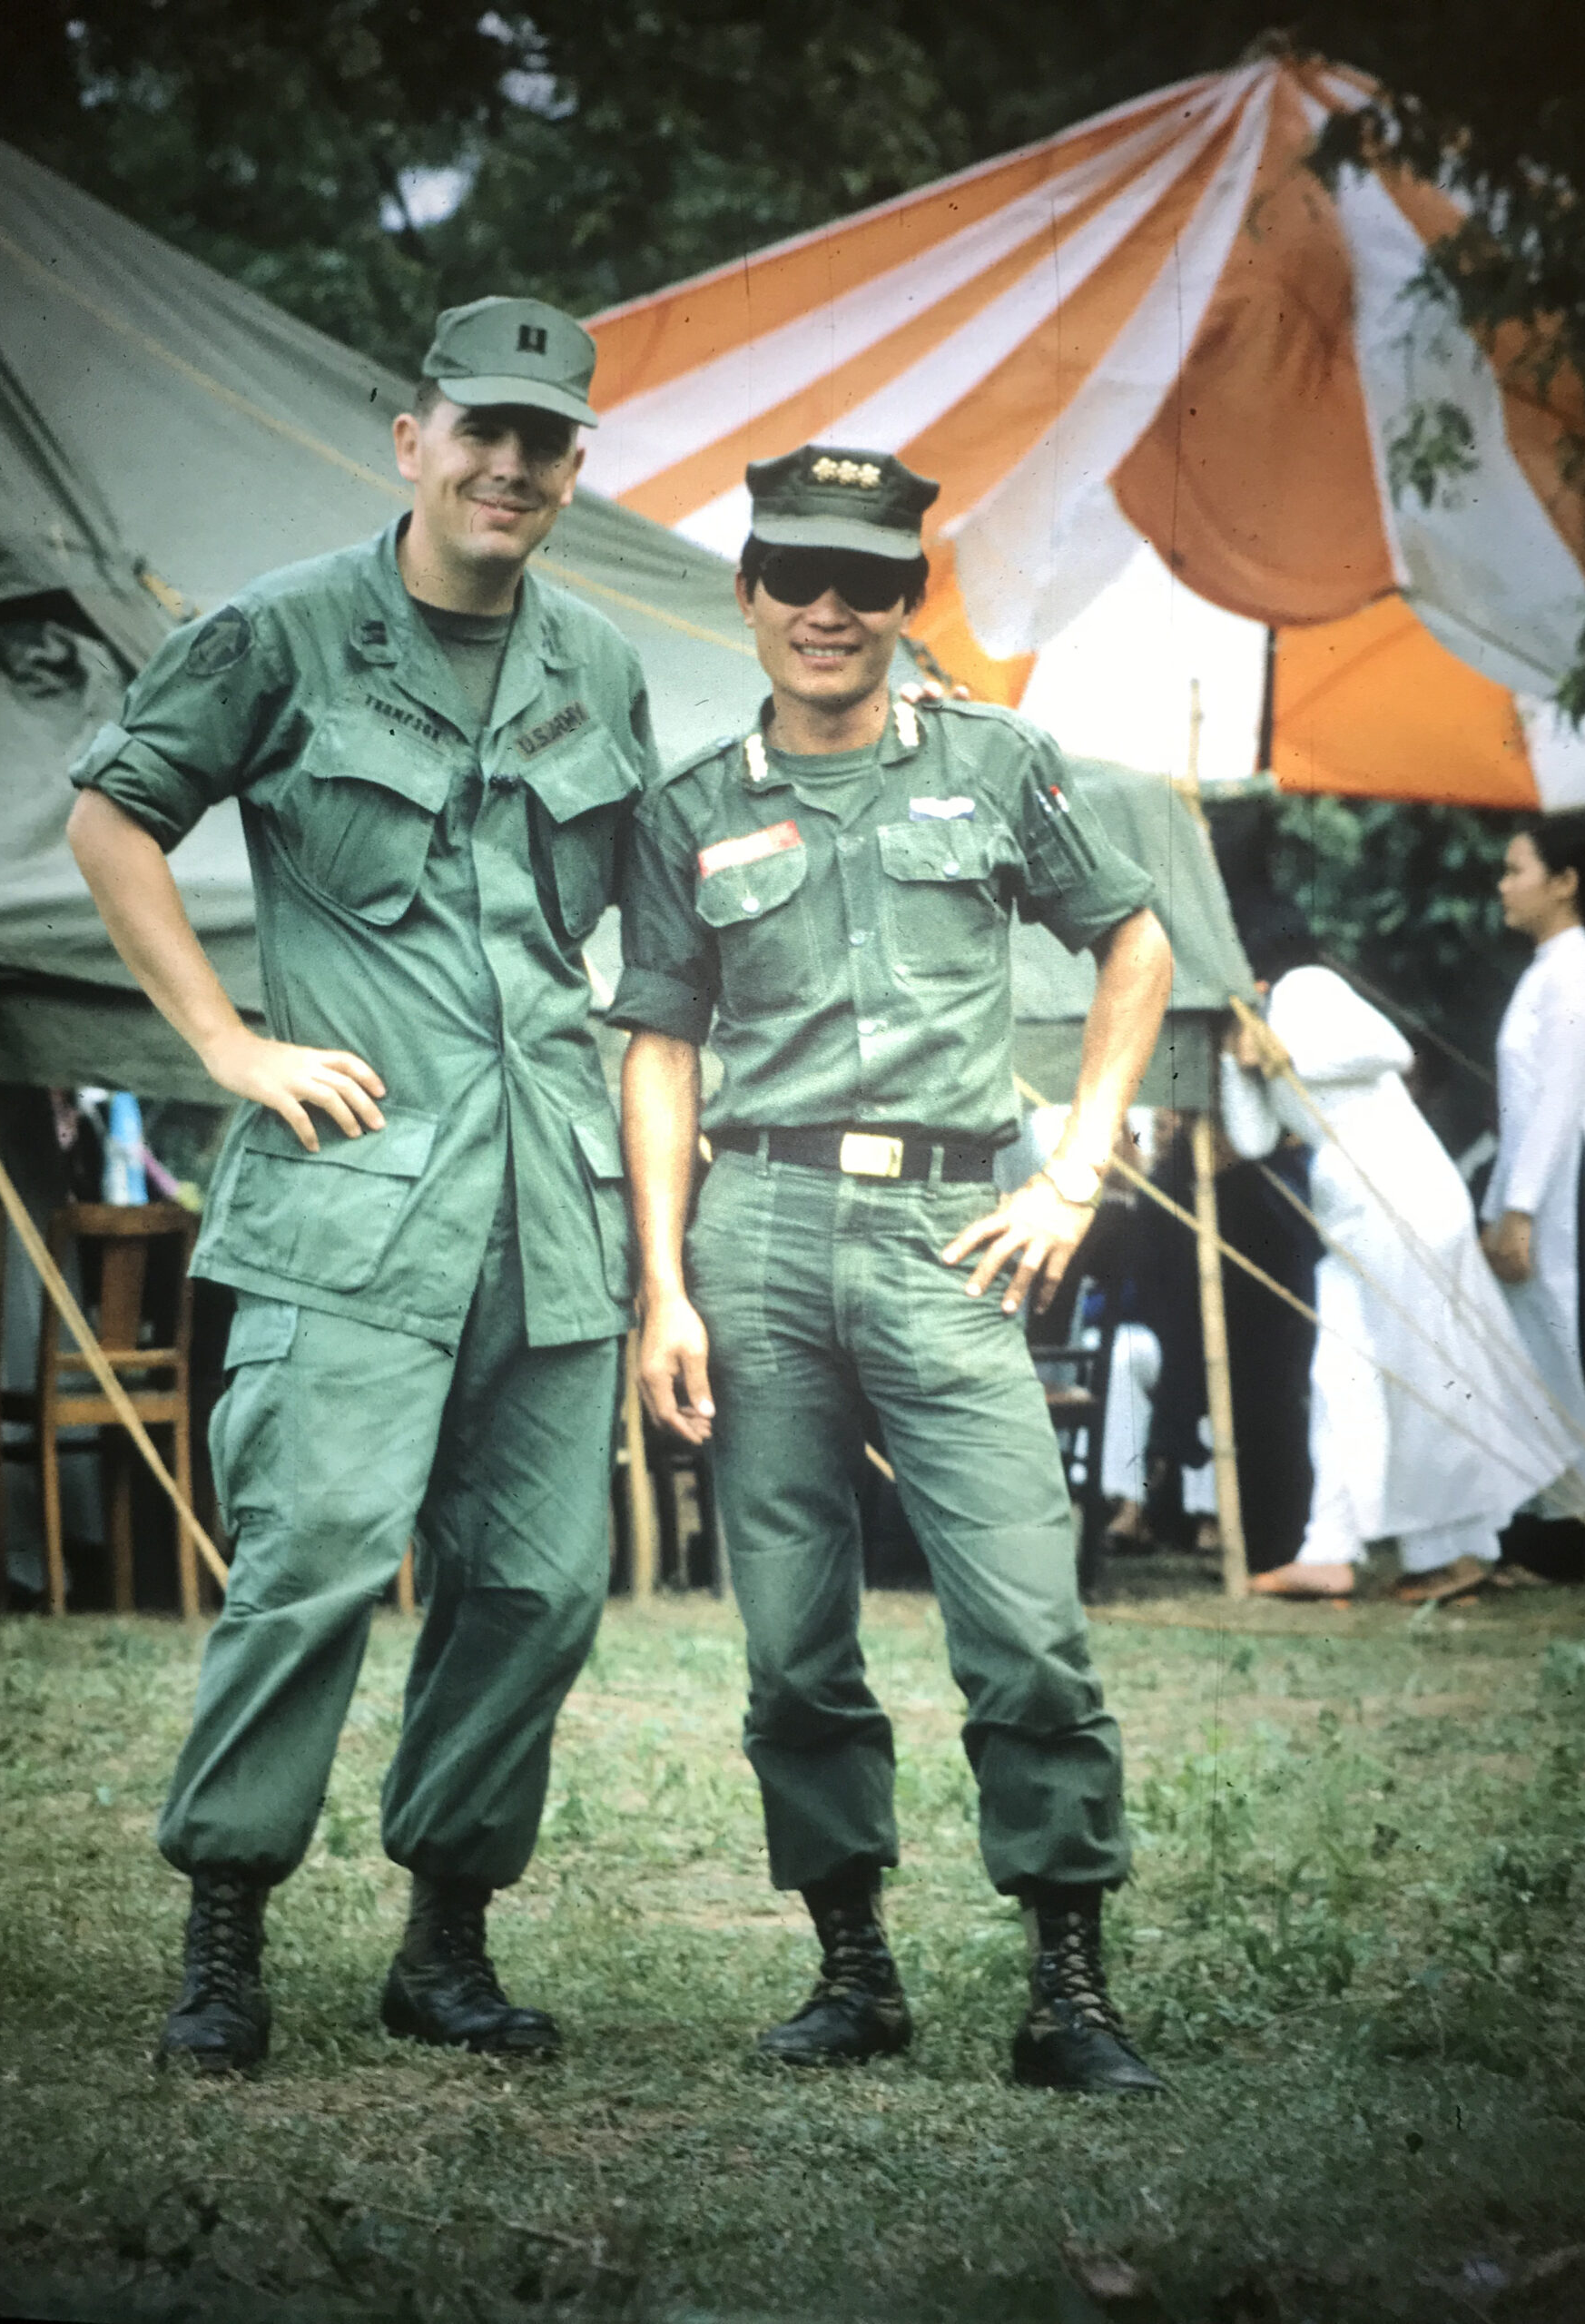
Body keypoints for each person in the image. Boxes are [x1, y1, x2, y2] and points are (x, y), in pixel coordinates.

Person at [65, 298, 655, 2073]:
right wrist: (228, 1045)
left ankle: (444, 1945)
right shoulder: (285, 633)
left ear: (572, 467)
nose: (508, 464)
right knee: (314, 1559)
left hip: (550, 1215)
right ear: (410, 438)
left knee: (541, 1587)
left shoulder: (602, 664)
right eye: (480, 428)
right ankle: (226, 1933)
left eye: (544, 440)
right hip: (351, 1207)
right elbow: (113, 815)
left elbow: (640, 920)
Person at [610, 443, 1173, 2095]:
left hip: (948, 1240)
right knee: (791, 1641)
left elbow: (1133, 935)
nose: (828, 609)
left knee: (1024, 1619)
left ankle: (1067, 1984)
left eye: (866, 580)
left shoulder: (999, 768)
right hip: (757, 1234)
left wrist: (1077, 1161)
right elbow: (657, 1042)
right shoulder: (692, 808)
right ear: (750, 592)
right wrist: (666, 1282)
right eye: (796, 574)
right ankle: (852, 1967)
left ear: (907, 599)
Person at [1221, 909, 1580, 1602]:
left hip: (1402, 1200)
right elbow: (1257, 1139)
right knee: (1340, 1372)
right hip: (1353, 1220)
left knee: (1430, 1371)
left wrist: (1288, 1054)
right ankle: (1331, 1549)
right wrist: (1238, 1058)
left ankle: (1459, 1551)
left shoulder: (1308, 988)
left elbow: (1391, 1048)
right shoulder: (1256, 1017)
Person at [1482, 819, 1585, 1583]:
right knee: (1539, 1348)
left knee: (1573, 1338)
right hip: (1539, 1173)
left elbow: (1562, 1099)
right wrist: (1500, 1206)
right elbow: (1523, 1106)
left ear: (1565, 882)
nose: (1504, 885)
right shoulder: (1546, 969)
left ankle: (1572, 1531)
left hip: (1574, 1175)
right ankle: (1548, 1519)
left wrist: (1524, 1206)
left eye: (1516, 869)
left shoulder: (1581, 972)